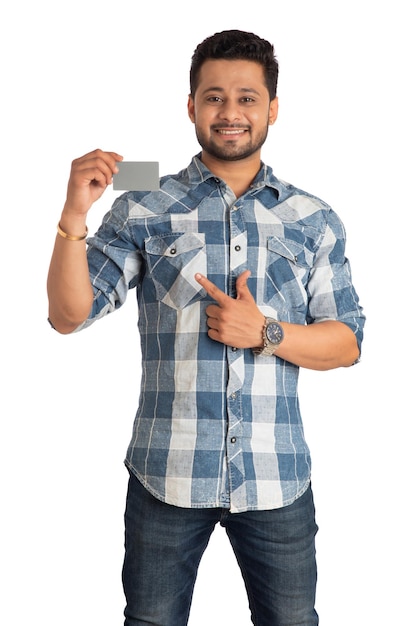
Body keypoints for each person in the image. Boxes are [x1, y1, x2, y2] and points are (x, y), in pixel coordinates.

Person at [47, 29, 365, 626]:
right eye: (214, 97)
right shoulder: (145, 202)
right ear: (191, 107)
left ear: (272, 108)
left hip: (277, 479)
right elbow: (69, 314)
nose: (230, 112)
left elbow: (347, 341)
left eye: (247, 98)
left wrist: (267, 332)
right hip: (165, 473)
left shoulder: (313, 216)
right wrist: (73, 214)